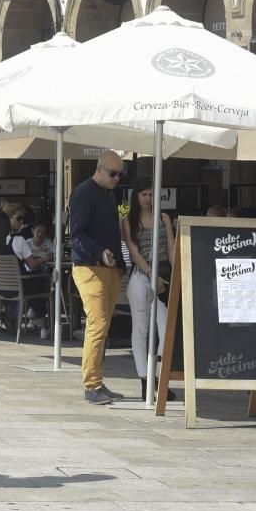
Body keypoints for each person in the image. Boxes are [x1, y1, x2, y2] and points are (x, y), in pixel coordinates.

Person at [69, 150, 126, 405]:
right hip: (89, 268)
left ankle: (98, 382)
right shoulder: (84, 192)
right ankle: (91, 385)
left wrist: (118, 262)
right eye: (113, 174)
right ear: (99, 169)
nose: (117, 179)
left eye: (120, 175)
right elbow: (77, 235)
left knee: (103, 327)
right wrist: (100, 252)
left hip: (108, 268)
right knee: (98, 324)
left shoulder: (108, 194)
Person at [121, 177, 177, 402]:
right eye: (143, 194)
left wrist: (176, 275)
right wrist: (152, 275)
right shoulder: (128, 220)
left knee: (166, 330)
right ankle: (145, 380)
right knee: (141, 329)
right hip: (140, 275)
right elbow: (134, 253)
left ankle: (157, 379)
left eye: (151, 194)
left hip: (165, 274)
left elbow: (172, 249)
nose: (147, 198)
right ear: (136, 196)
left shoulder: (164, 218)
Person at [0, 210, 49, 338]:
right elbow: (32, 264)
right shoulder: (18, 241)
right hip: (18, 287)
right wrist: (44, 259)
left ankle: (31, 314)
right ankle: (42, 324)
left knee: (34, 281)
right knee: (41, 279)